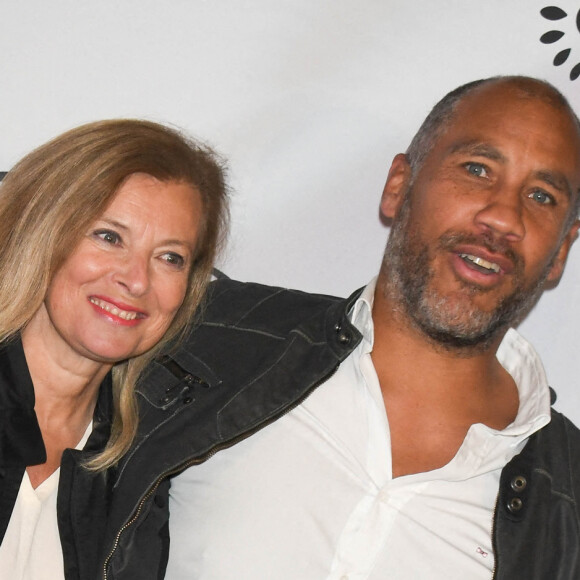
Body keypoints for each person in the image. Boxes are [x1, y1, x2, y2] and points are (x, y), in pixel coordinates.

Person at [103, 75, 580, 580]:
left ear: (562, 250)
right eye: (478, 168)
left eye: (543, 197)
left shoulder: (567, 502)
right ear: (400, 184)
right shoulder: (209, 335)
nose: (504, 217)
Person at [0, 119, 229, 580]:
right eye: (109, 237)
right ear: (40, 232)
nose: (137, 279)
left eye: (170, 258)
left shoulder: (144, 475)